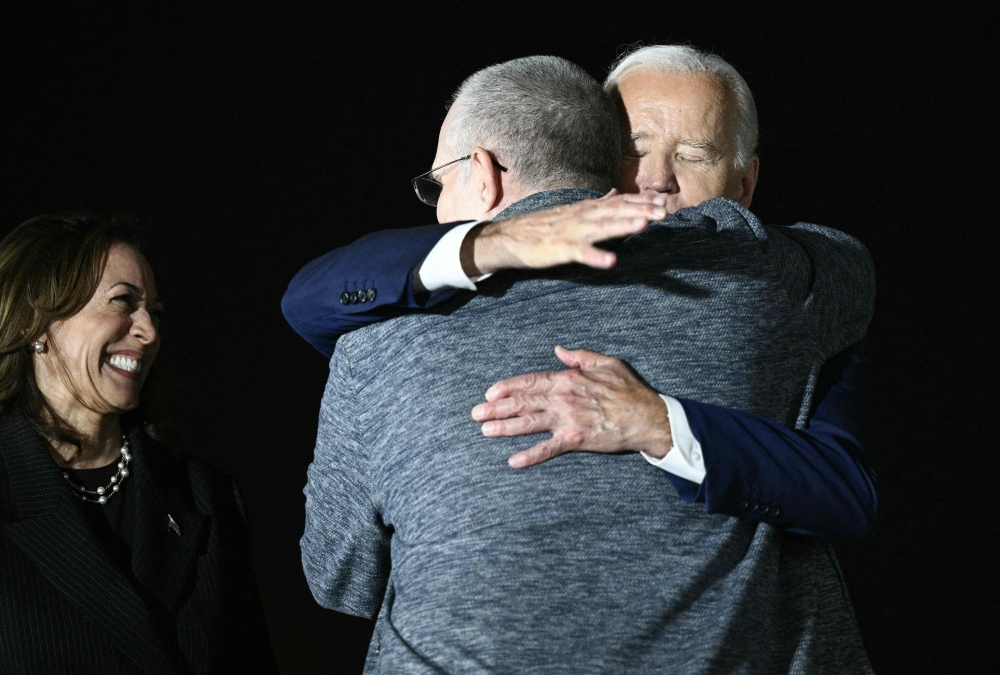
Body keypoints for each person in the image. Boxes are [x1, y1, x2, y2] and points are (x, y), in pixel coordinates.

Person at [301, 55, 874, 673]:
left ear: (745, 185)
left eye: (694, 155)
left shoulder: (770, 283)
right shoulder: (772, 283)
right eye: (634, 149)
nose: (655, 181)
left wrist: (661, 422)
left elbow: (343, 581)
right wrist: (495, 242)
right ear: (595, 151)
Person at [0, 212, 277, 674]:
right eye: (122, 302)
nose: (148, 331)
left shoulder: (206, 497)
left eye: (154, 313)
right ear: (36, 321)